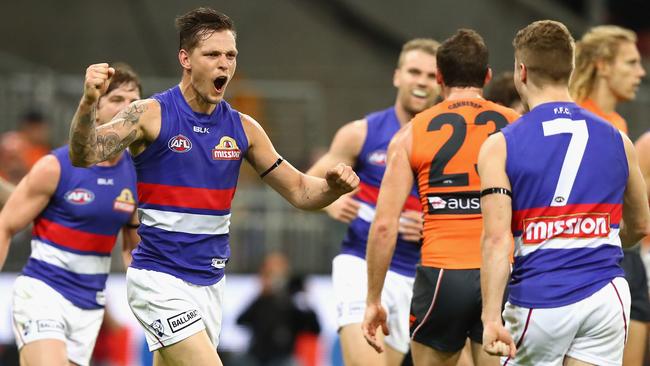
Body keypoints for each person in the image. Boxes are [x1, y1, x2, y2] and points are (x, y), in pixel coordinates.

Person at [67, 8, 359, 366]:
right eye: (213, 55)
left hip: (210, 283)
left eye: (230, 55)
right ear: (185, 59)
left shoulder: (244, 129)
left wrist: (333, 187)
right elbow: (84, 155)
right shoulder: (148, 114)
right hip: (159, 279)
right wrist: (87, 102)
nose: (224, 64)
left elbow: (301, 191)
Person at [480, 20, 650, 365]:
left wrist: (490, 317)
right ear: (571, 69)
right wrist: (599, 237)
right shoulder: (619, 140)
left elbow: (497, 241)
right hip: (607, 296)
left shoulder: (500, 144)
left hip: (540, 297)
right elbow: (640, 223)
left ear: (521, 70)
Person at [361, 29, 520, 366]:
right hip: (501, 273)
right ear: (488, 76)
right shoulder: (517, 125)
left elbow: (385, 225)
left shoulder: (410, 133)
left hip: (441, 276)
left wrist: (373, 298)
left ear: (440, 78)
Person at [306, 38, 439, 366]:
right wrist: (331, 202)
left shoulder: (447, 140)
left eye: (431, 75)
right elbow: (309, 182)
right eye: (414, 72)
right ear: (397, 76)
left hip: (421, 277)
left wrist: (434, 224)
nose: (421, 81)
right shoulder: (361, 133)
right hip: (360, 266)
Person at [0, 63, 142, 366]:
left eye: (134, 102)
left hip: (90, 306)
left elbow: (133, 247)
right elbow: (6, 225)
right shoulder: (56, 166)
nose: (127, 109)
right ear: (97, 110)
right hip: (43, 293)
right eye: (117, 100)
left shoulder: (138, 174)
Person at [570, 25, 649, 366]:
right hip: (582, 263)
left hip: (621, 256)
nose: (640, 72)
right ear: (602, 65)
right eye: (630, 63)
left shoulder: (617, 123)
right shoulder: (571, 118)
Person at [237, 252, 320, 366]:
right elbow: (241, 320)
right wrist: (262, 295)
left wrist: (302, 299)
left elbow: (314, 328)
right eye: (270, 272)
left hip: (283, 357)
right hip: (256, 357)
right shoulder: (261, 300)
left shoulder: (293, 298)